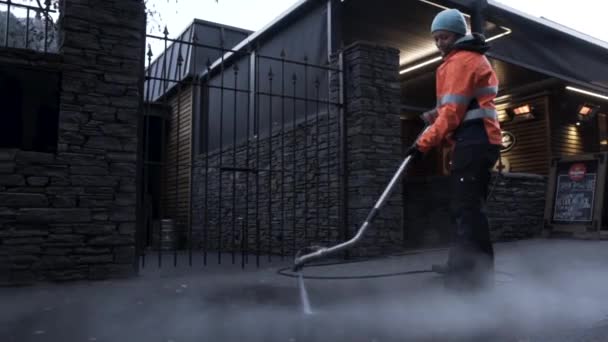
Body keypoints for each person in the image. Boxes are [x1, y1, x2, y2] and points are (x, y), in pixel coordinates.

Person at [405, 8, 502, 290]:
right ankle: (461, 268)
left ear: (457, 35)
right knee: (464, 207)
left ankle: (475, 277)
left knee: (467, 208)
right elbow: (455, 108)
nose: (439, 44)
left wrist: (421, 145)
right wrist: (435, 116)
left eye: (443, 37)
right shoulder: (463, 59)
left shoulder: (460, 61)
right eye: (436, 39)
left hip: (476, 140)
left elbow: (452, 114)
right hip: (474, 140)